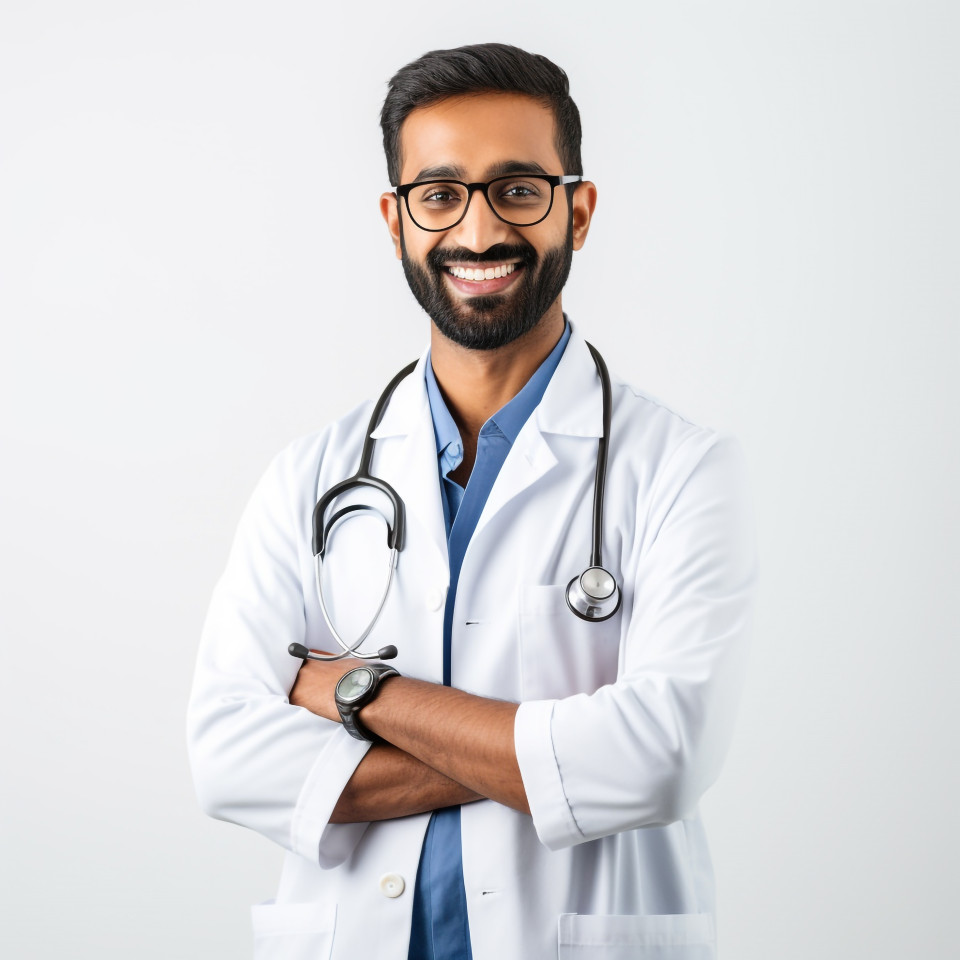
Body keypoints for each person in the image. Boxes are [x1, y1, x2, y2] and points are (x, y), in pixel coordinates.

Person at [187, 42, 756, 960]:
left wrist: (364, 693)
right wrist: (553, 752)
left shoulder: (684, 471)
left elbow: (661, 759)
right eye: (441, 193)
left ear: (578, 210)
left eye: (518, 190)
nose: (479, 232)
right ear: (396, 221)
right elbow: (226, 757)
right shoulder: (308, 477)